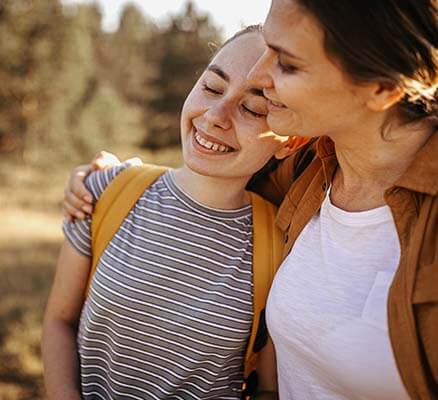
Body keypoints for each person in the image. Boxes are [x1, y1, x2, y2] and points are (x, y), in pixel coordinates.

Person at [64, 1, 438, 399]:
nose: (261, 72)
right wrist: (111, 177)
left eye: (287, 63)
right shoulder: (303, 174)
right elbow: (207, 172)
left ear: (382, 89)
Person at [42, 26, 299, 400]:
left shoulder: (281, 246)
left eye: (252, 107)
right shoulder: (106, 191)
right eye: (211, 87)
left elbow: (269, 388)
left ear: (289, 140)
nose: (215, 116)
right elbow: (59, 322)